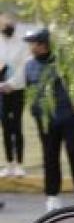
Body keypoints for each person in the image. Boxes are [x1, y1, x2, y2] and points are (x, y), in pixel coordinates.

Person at [23, 28, 74, 210]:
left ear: (43, 44)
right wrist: (35, 112)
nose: (31, 47)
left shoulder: (64, 63)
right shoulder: (29, 65)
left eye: (33, 43)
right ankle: (52, 196)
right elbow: (30, 90)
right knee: (50, 157)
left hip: (69, 117)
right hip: (46, 121)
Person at [0, 14, 31, 177]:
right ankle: (9, 164)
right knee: (5, 126)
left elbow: (24, 66)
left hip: (18, 89)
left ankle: (19, 164)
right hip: (2, 91)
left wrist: (11, 83)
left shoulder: (22, 41)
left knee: (16, 126)